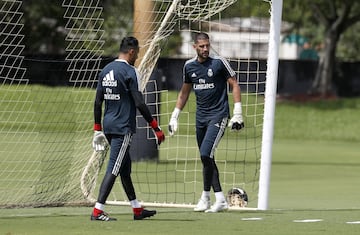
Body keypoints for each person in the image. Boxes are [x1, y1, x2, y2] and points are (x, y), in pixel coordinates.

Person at [168, 32, 244, 213]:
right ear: (195, 47)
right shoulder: (189, 66)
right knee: (207, 158)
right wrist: (174, 115)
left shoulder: (219, 63)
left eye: (207, 46)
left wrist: (238, 113)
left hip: (219, 115)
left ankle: (218, 199)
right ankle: (206, 198)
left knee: (205, 153)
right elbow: (184, 92)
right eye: (201, 46)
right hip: (200, 118)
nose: (205, 49)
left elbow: (234, 84)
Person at [91, 36, 165, 221]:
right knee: (114, 168)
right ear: (131, 51)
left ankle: (137, 209)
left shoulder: (106, 69)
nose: (137, 57)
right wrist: (155, 127)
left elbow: (98, 101)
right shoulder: (130, 72)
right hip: (122, 128)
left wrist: (97, 129)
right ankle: (97, 211)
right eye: (137, 54)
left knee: (125, 168)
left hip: (108, 126)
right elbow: (139, 102)